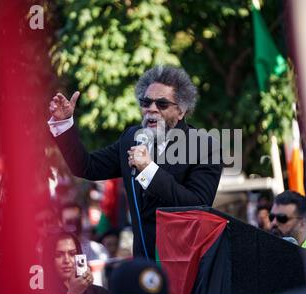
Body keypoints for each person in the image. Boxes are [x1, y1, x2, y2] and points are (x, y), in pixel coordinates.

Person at [48, 65, 223, 259]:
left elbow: (198, 205)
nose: (152, 109)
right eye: (146, 102)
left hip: (186, 265)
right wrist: (64, 125)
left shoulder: (204, 146)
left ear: (181, 111)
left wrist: (149, 170)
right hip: (143, 264)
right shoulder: (131, 138)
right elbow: (86, 167)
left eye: (162, 104)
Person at [41, 231, 110, 294]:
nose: (67, 260)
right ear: (49, 259)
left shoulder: (99, 293)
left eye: (72, 254)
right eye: (58, 255)